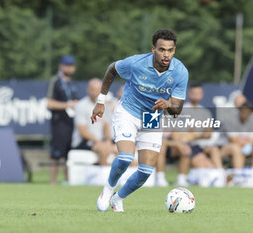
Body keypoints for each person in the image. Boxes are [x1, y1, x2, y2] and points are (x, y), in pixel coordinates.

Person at [91, 29, 189, 212]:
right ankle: (108, 189)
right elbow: (112, 69)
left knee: (145, 172)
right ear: (153, 49)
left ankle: (117, 199)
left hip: (152, 117)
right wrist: (100, 101)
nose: (166, 54)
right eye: (161, 49)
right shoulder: (136, 63)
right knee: (126, 157)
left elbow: (176, 110)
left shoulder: (180, 72)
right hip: (128, 112)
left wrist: (168, 104)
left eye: (170, 50)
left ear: (174, 50)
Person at [47, 55, 79, 184]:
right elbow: (49, 103)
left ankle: (68, 180)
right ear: (61, 66)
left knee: (68, 153)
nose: (69, 68)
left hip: (72, 122)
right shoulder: (55, 81)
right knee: (56, 153)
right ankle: (53, 181)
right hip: (59, 121)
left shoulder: (73, 83)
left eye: (71, 65)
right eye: (67, 65)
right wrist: (67, 105)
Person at [71, 78, 118, 165]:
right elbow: (82, 130)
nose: (95, 92)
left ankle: (120, 177)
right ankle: (104, 176)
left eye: (98, 90)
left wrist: (108, 140)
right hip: (84, 141)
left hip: (100, 140)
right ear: (87, 89)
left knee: (121, 150)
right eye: (93, 89)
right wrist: (99, 141)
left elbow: (106, 125)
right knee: (103, 149)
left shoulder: (104, 105)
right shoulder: (81, 105)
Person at [221, 100, 253, 172]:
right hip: (228, 147)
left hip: (247, 146)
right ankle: (238, 177)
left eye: (248, 111)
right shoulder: (231, 120)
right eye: (243, 110)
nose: (245, 113)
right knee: (238, 150)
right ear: (240, 110)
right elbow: (234, 140)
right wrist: (251, 141)